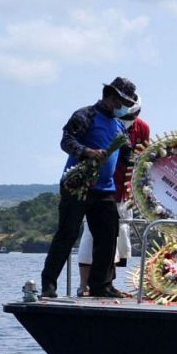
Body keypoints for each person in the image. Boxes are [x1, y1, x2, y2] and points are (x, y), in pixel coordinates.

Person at [39, 77, 138, 298]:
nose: (122, 107)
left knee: (107, 236)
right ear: (111, 97)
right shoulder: (85, 115)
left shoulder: (120, 126)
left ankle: (101, 285)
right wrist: (87, 152)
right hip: (78, 186)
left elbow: (127, 155)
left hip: (104, 189)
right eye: (121, 102)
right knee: (67, 234)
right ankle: (48, 284)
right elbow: (66, 141)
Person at [77, 105, 150, 295]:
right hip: (99, 188)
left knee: (115, 239)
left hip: (125, 192)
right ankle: (84, 285)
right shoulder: (105, 124)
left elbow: (143, 159)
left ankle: (107, 284)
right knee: (91, 236)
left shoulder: (142, 128)